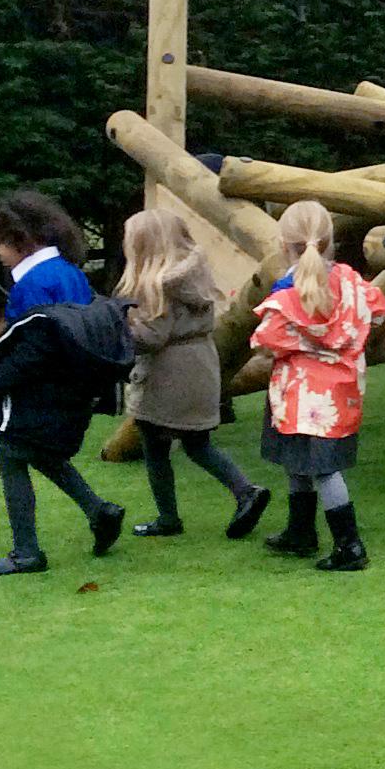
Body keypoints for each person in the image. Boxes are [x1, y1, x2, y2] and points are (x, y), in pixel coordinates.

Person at [0, 191, 132, 578]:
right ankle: (99, 511)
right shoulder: (70, 272)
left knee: (11, 457)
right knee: (38, 454)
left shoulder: (32, 285)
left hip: (44, 391)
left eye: (1, 242)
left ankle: (27, 552)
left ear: (23, 239)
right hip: (73, 387)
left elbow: (36, 346)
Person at [252, 201, 385, 571]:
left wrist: (305, 345)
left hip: (297, 393)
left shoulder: (286, 294)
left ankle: (350, 546)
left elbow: (267, 339)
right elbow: (378, 309)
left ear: (284, 245)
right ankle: (301, 532)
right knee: (314, 463)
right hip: (338, 392)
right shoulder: (350, 281)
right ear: (331, 241)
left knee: (315, 467)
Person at [117, 210, 271, 538]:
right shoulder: (193, 277)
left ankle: (172, 517)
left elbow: (152, 337)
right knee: (197, 442)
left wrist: (121, 327)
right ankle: (244, 491)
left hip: (168, 373)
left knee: (155, 445)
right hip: (201, 362)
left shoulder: (157, 286)